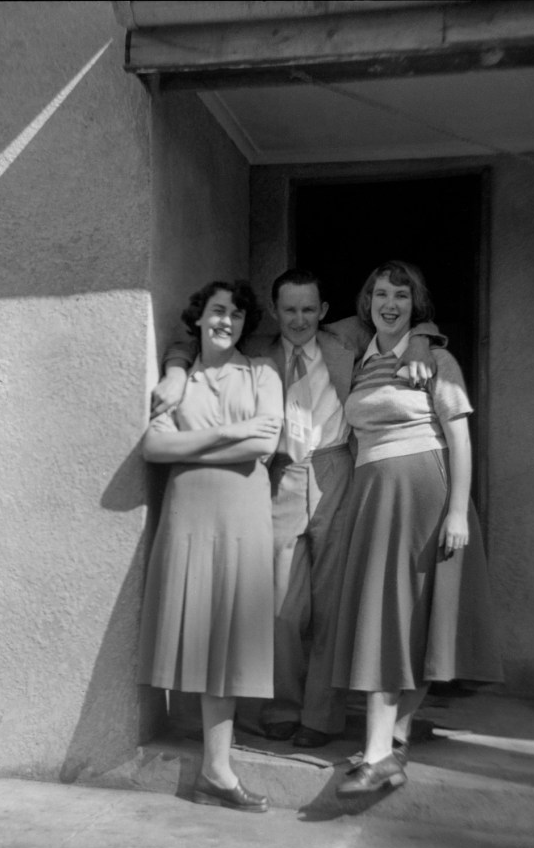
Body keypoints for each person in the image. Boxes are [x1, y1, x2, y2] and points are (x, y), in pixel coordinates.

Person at [153, 269, 444, 748]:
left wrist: (418, 345)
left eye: (309, 309)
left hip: (337, 474)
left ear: (324, 310)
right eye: (289, 309)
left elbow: (412, 320)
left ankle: (321, 718)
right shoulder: (258, 353)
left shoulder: (347, 335)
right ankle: (282, 708)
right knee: (282, 607)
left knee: (334, 602)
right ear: (273, 310)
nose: (300, 319)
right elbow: (191, 339)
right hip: (281, 476)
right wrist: (175, 370)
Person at [330, 260, 502, 796]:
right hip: (374, 500)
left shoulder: (438, 360)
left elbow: (460, 439)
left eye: (401, 296)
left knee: (418, 621)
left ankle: (379, 752)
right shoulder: (358, 357)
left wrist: (457, 511)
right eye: (380, 293)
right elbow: (313, 326)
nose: (390, 304)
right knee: (392, 620)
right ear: (366, 302)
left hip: (426, 498)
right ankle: (393, 741)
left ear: (415, 304)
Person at [139, 279, 283, 813]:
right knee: (194, 626)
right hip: (188, 513)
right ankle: (214, 771)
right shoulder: (177, 380)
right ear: (199, 317)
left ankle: (217, 770)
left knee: (227, 636)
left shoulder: (263, 372)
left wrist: (192, 445)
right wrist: (230, 434)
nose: (227, 321)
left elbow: (266, 442)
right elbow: (154, 447)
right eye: (218, 311)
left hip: (242, 511)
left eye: (238, 314)